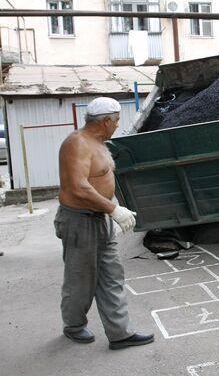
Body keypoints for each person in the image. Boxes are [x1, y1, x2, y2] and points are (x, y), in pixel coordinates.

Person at [54, 97, 154, 350]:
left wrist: (111, 208)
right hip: (79, 221)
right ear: (106, 121)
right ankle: (74, 325)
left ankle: (119, 333)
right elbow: (77, 187)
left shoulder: (98, 143)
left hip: (99, 219)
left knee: (112, 276)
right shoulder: (76, 144)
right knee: (81, 278)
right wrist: (114, 209)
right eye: (117, 120)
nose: (117, 125)